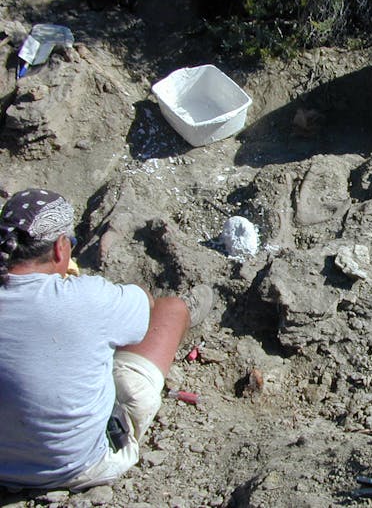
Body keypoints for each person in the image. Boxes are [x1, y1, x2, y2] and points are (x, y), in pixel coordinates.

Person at [0, 188, 213, 490]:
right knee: (170, 310)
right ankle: (189, 312)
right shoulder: (85, 297)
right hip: (77, 466)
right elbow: (145, 305)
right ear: (61, 249)